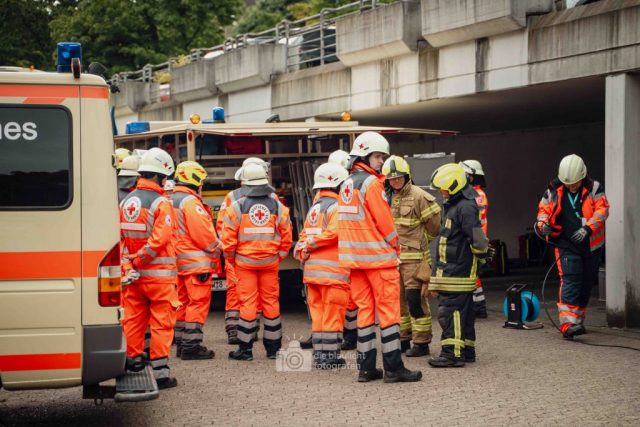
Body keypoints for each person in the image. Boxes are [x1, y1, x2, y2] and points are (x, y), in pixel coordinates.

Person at [337, 131, 422, 383]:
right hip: (378, 260)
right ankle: (394, 369)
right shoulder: (372, 184)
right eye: (377, 156)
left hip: (355, 261)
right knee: (389, 315)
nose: (381, 161)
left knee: (365, 313)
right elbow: (384, 222)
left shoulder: (346, 184)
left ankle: (366, 369)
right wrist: (396, 247)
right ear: (364, 156)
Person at [119, 147, 179, 388]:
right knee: (162, 323)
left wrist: (128, 264)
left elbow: (120, 239)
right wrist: (138, 259)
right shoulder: (161, 203)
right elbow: (160, 240)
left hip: (134, 278)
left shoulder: (126, 201)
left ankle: (131, 364)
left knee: (133, 320)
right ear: (159, 176)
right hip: (159, 279)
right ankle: (161, 374)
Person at [223, 164, 292, 361]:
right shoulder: (278, 206)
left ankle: (245, 350)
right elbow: (287, 235)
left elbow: (228, 240)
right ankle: (273, 350)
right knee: (271, 302)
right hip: (270, 262)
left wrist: (232, 260)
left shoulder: (236, 207)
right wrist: (279, 256)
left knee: (247, 303)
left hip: (244, 264)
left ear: (245, 183)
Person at [536, 154, 608, 339]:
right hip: (566, 244)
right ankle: (568, 324)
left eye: (575, 183)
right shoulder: (553, 190)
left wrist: (588, 228)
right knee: (571, 280)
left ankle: (578, 321)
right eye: (568, 183)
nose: (571, 186)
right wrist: (543, 225)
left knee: (586, 283)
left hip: (591, 246)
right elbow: (543, 211)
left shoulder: (594, 188)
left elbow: (602, 210)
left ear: (582, 176)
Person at [428, 163, 490, 368]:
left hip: (457, 271)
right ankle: (466, 350)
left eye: (443, 188)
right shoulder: (459, 205)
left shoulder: (464, 207)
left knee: (450, 311)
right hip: (455, 268)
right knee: (464, 312)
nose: (441, 192)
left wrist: (481, 258)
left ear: (453, 186)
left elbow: (477, 240)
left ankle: (452, 354)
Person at [382, 155, 441, 357]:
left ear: (407, 176)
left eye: (398, 177)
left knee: (415, 301)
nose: (395, 181)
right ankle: (403, 339)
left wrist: (420, 243)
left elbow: (434, 227)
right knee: (398, 302)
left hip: (415, 260)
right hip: (394, 260)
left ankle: (422, 343)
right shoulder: (386, 197)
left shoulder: (420, 196)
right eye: (391, 179)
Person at [294, 162, 350, 369]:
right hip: (333, 273)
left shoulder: (315, 208)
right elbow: (335, 233)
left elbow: (304, 234)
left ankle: (320, 355)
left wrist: (304, 247)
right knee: (333, 315)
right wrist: (310, 244)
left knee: (318, 315)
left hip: (312, 273)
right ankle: (330, 358)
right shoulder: (337, 207)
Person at [217, 157, 271, 345]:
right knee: (259, 294)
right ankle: (251, 328)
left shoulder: (231, 197)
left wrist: (229, 252)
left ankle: (236, 330)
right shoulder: (271, 198)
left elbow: (222, 226)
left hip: (237, 254)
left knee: (236, 291)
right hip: (262, 255)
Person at [172, 161, 220, 360]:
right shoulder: (190, 202)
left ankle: (181, 344)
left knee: (182, 303)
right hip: (196, 264)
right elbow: (204, 234)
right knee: (197, 303)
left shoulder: (169, 199)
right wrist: (218, 248)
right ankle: (191, 347)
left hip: (177, 263)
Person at [328, 149, 358, 350]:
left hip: (348, 248)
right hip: (338, 251)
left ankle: (350, 336)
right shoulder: (337, 191)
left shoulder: (349, 190)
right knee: (338, 297)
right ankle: (339, 334)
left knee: (350, 297)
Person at [460, 160, 489, 318]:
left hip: (476, 239)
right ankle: (478, 306)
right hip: (475, 238)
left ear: (471, 176)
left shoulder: (478, 195)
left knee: (472, 274)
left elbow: (474, 220)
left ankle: (478, 307)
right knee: (473, 274)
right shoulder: (473, 194)